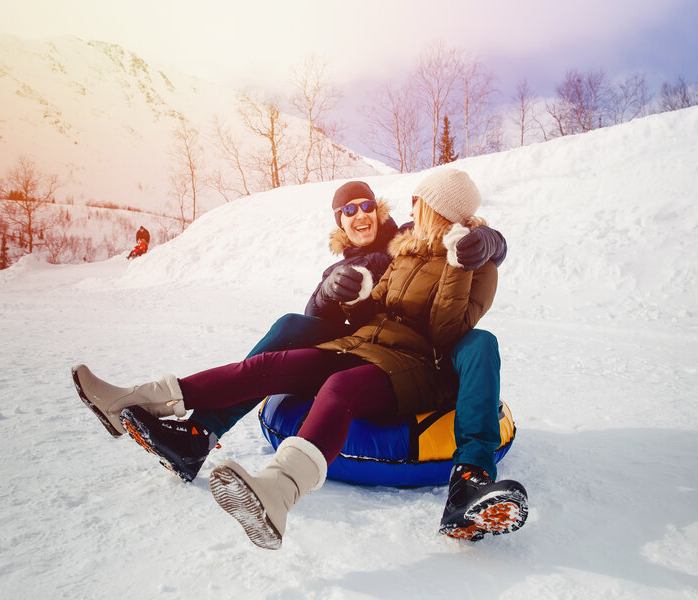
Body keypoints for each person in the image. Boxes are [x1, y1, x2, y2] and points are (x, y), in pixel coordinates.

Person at [73, 172, 527, 546]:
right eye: (347, 211)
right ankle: (138, 402)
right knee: (268, 365)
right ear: (339, 223)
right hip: (364, 342)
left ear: (391, 211)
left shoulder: (420, 243)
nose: (360, 215)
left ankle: (278, 490)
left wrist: (478, 249)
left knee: (339, 388)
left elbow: (447, 328)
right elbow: (352, 307)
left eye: (366, 205)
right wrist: (347, 293)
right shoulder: (399, 253)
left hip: (409, 361)